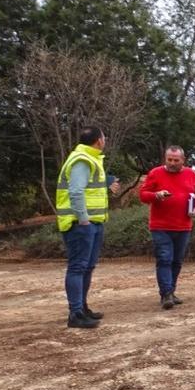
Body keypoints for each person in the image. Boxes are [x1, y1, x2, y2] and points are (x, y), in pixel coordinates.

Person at [55, 126, 121, 329]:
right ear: (98, 141)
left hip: (93, 223)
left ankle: (82, 308)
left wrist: (105, 186)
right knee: (78, 267)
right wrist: (83, 219)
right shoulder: (82, 160)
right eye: (104, 137)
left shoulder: (91, 159)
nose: (105, 140)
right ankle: (75, 313)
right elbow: (75, 192)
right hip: (81, 225)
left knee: (87, 267)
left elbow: (88, 189)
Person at [139, 146, 195, 309]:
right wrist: (156, 195)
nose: (172, 163)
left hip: (183, 226)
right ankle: (166, 294)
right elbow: (142, 195)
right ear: (165, 159)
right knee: (164, 258)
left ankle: (171, 290)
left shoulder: (191, 174)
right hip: (160, 226)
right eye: (169, 160)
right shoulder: (155, 173)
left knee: (177, 261)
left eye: (176, 160)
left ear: (183, 160)